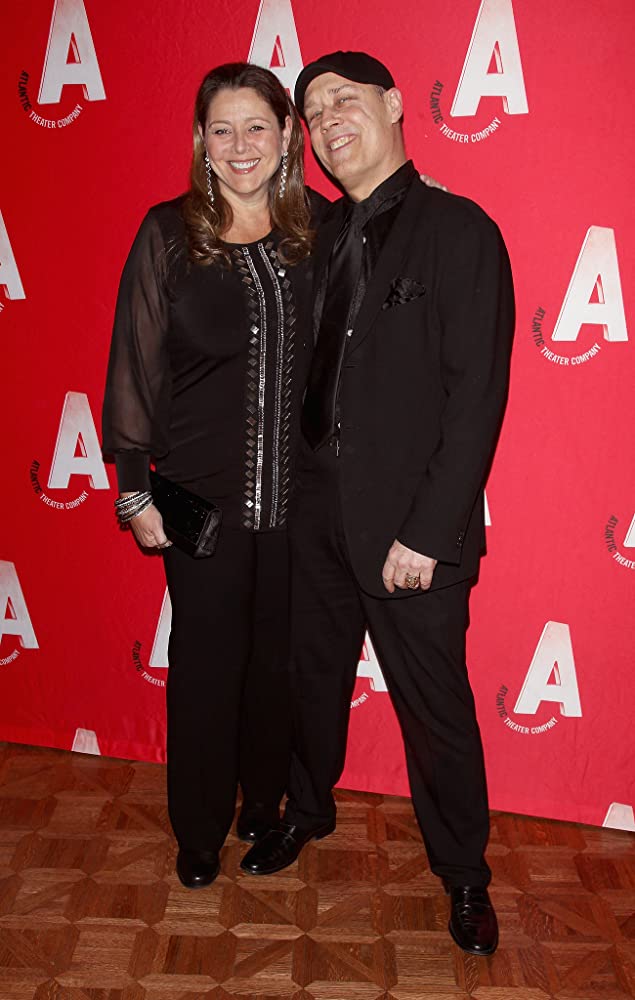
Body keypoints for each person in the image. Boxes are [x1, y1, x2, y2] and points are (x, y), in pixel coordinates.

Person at [241, 51, 515, 958]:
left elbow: (475, 397)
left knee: (434, 707)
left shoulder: (458, 229)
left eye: (344, 101)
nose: (327, 122)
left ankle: (464, 874)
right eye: (313, 113)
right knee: (306, 682)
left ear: (395, 105)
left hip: (410, 529)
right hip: (311, 511)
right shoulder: (314, 236)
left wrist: (429, 533)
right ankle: (304, 811)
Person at [102, 62, 327, 889]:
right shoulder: (168, 232)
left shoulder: (320, 231)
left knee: (276, 667)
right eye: (222, 129)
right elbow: (135, 361)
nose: (240, 146)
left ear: (286, 135)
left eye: (256, 127)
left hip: (300, 501)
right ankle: (198, 828)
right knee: (204, 669)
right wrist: (134, 486)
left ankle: (262, 807)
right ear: (200, 139)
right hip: (197, 499)